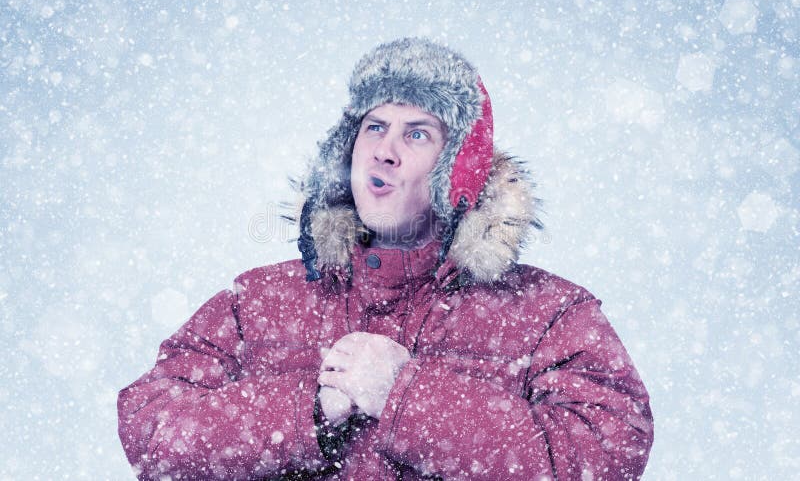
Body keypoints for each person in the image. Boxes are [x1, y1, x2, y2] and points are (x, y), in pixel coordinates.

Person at [118, 37, 654, 480]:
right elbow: (154, 429)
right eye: (374, 127)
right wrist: (309, 408)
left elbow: (605, 456)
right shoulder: (259, 302)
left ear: (458, 170)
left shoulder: (549, 316)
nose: (385, 150)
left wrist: (407, 395)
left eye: (416, 134)